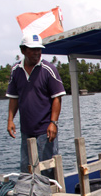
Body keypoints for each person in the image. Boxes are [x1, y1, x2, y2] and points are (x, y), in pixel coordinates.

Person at [6, 34, 66, 176]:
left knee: (47, 169)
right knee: (26, 168)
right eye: (33, 49)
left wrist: (53, 123)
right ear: (23, 50)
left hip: (45, 129)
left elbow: (57, 98)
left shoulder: (48, 69)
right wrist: (10, 120)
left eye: (39, 49)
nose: (37, 52)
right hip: (26, 129)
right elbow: (14, 98)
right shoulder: (16, 71)